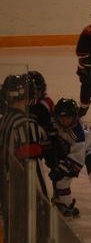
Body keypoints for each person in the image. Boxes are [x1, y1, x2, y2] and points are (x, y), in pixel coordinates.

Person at [49, 98, 91, 225]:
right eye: (61, 117)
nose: (64, 120)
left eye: (68, 117)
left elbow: (77, 159)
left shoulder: (78, 134)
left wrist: (61, 168)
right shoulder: (55, 122)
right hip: (74, 149)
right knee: (62, 180)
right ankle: (67, 207)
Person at [0, 74, 44, 218]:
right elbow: (33, 169)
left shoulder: (4, 121)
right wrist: (43, 205)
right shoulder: (26, 125)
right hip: (18, 199)